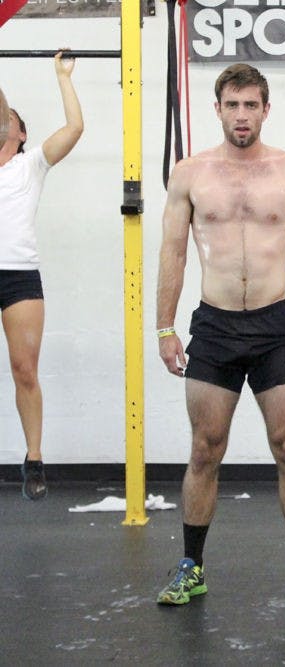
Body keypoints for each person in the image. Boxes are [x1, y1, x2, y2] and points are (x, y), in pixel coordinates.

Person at [154, 64, 285, 606]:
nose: (241, 115)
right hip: (215, 324)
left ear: (266, 109)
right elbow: (174, 253)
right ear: (218, 109)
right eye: (232, 105)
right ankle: (190, 566)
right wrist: (165, 326)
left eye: (251, 105)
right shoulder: (190, 173)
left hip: (277, 325)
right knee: (205, 449)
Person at [0, 52, 84, 500]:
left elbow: (74, 129)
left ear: (21, 132)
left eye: (8, 118)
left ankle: (33, 458)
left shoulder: (29, 165)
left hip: (18, 277)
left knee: (24, 370)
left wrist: (62, 77)